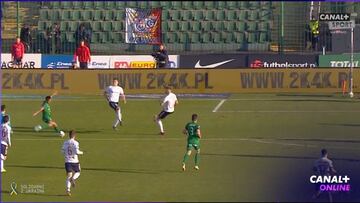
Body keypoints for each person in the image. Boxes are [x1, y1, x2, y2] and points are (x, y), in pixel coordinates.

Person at [62, 130, 83, 196]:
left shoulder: (65, 142)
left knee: (69, 176)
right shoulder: (76, 143)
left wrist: (66, 154)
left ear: (69, 135)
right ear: (74, 135)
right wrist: (82, 152)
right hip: (75, 161)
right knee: (78, 172)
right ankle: (73, 178)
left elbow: (62, 152)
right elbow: (77, 152)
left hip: (67, 162)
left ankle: (68, 190)